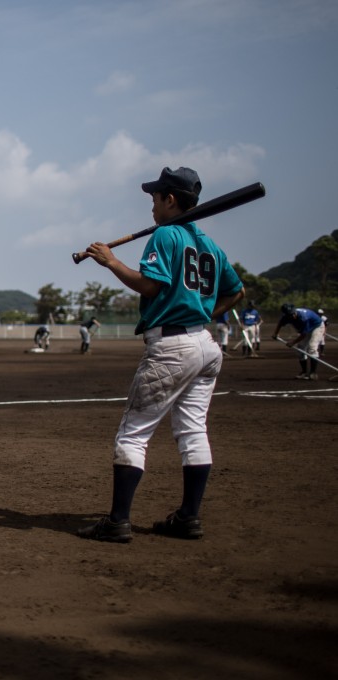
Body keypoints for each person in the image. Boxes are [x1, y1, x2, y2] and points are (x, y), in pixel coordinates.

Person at [76, 166, 244, 543]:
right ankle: (188, 517)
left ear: (170, 199)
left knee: (132, 435)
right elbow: (237, 293)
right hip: (205, 345)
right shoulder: (210, 245)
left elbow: (151, 286)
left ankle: (118, 521)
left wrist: (111, 262)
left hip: (171, 347)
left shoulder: (166, 235)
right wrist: (201, 314)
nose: (151, 206)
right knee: (193, 430)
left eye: (154, 198)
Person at [272, 304, 324, 380]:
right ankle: (304, 372)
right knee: (300, 348)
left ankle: (313, 373)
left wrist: (293, 342)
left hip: (317, 326)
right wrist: (275, 333)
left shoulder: (303, 317)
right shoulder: (285, 317)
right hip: (306, 329)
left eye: (293, 313)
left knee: (312, 347)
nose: (293, 316)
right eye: (290, 314)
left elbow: (304, 334)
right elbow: (280, 323)